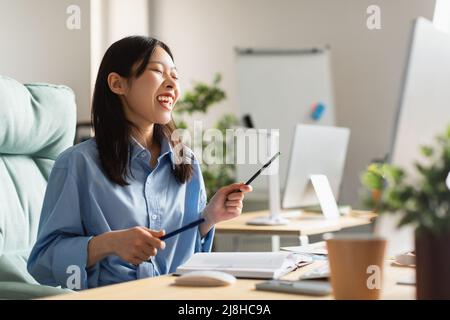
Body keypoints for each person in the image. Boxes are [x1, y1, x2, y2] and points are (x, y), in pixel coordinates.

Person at [27, 36, 252, 289]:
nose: (171, 84)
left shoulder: (185, 160)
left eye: (175, 76)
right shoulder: (77, 164)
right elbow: (42, 263)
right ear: (117, 84)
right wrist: (108, 244)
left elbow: (187, 257)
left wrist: (208, 218)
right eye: (157, 71)